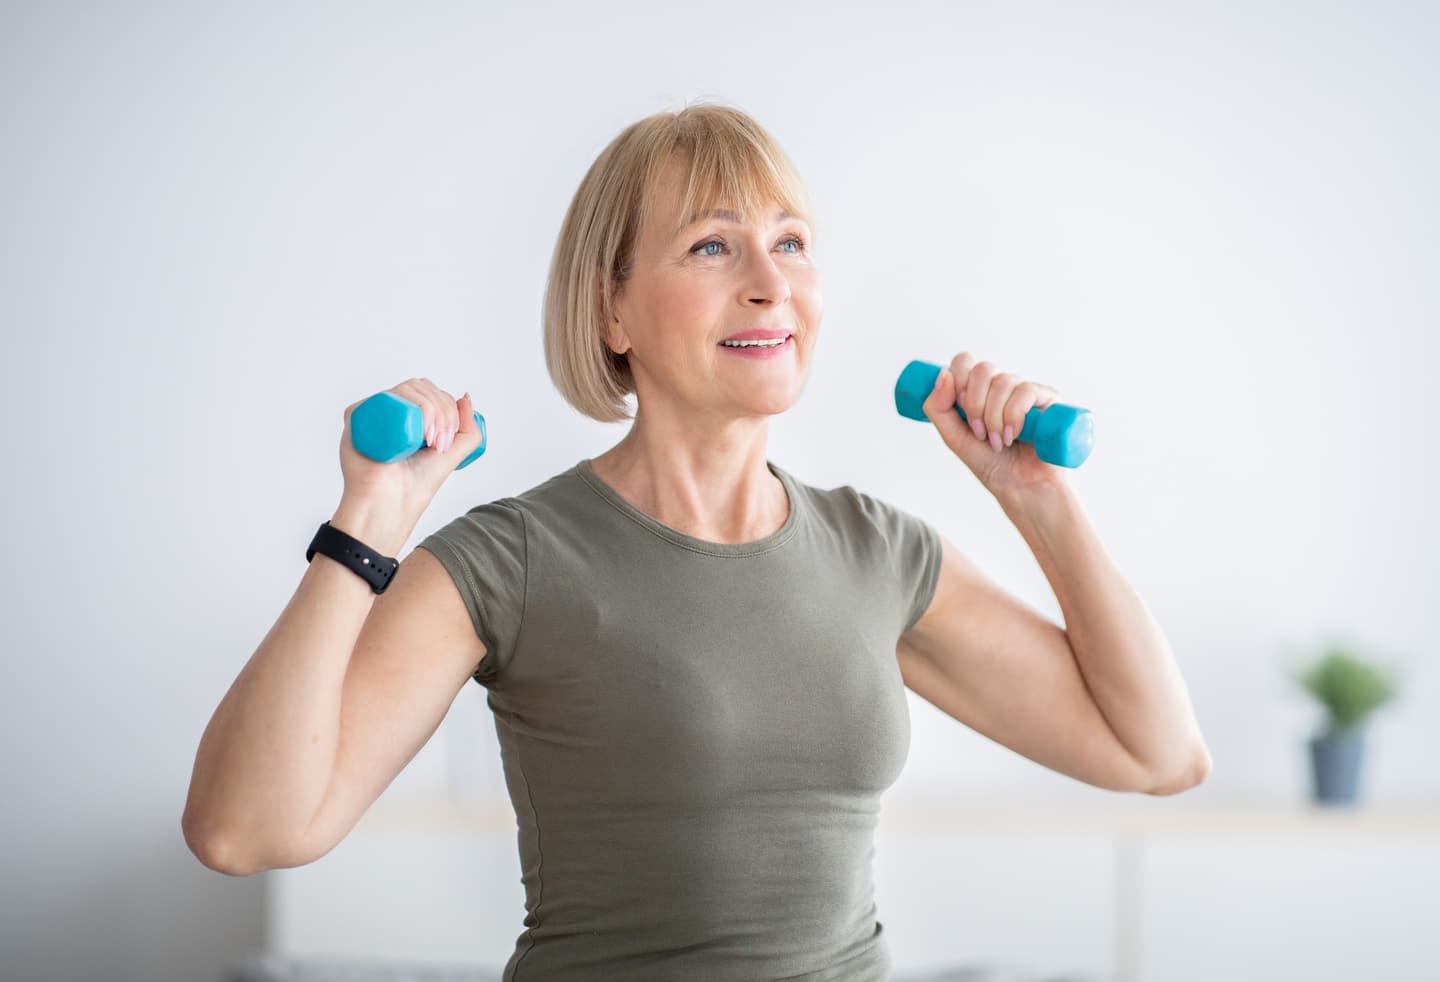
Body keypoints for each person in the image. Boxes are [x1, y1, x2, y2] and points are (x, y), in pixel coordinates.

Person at [182, 100, 1211, 982]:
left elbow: (1156, 752)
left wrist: (1038, 501)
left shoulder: (876, 551)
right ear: (612, 307)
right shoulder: (512, 559)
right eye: (713, 245)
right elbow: (245, 829)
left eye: (792, 241)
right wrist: (369, 522)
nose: (771, 282)